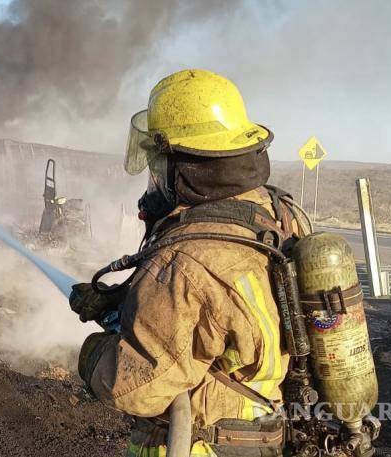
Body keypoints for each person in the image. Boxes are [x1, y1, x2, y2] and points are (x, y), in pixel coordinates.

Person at [70, 69, 310, 457]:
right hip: (270, 429)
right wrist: (126, 303)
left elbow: (135, 387)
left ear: (182, 162)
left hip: (206, 443)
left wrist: (94, 355)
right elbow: (229, 312)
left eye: (159, 161)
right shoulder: (279, 214)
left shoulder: (184, 259)